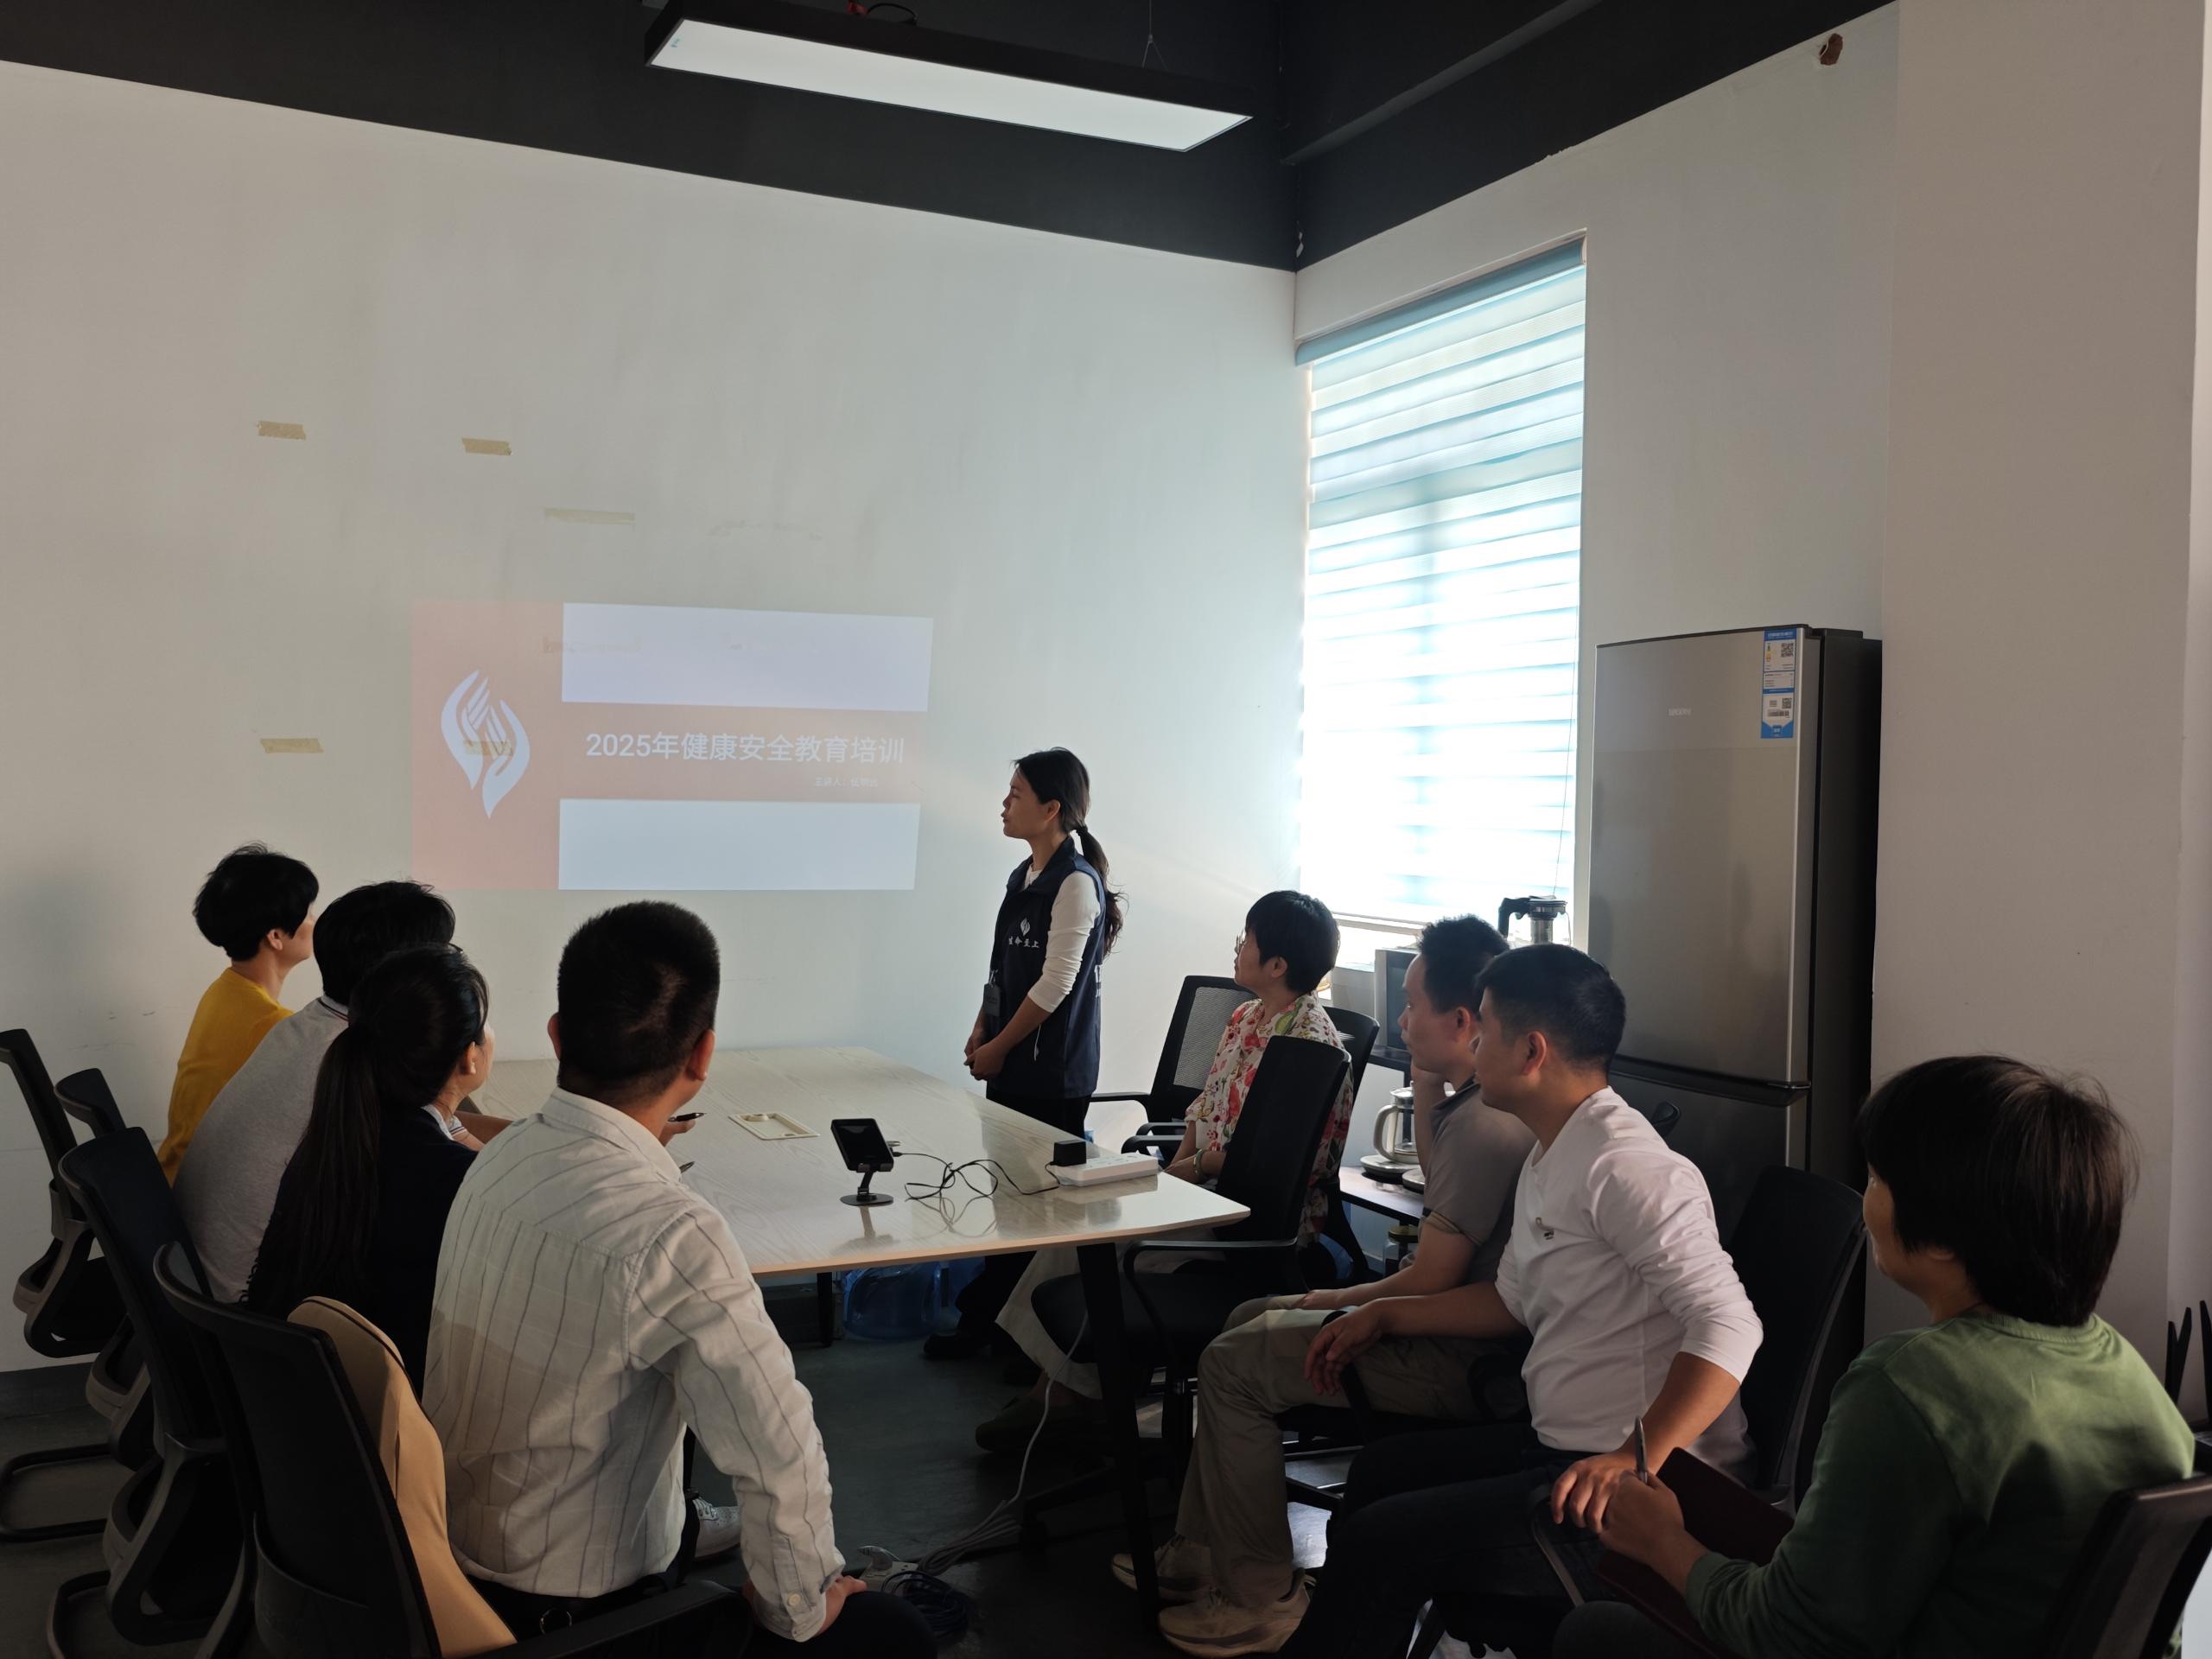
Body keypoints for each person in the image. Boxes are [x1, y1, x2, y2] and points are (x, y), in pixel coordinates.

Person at [1154, 944, 1761, 1659]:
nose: (1474, 1044)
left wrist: (1634, 1457)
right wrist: (1383, 1313)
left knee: (1384, 1543)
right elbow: (1511, 1300)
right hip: (1561, 1446)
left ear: (1530, 1051)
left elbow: (1729, 1324)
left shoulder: (1628, 1168)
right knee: (1380, 1474)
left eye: (1487, 1030)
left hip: (1633, 1488)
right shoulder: (1554, 1149)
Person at [1555, 1055, 2196, 1659]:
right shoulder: (2124, 1368)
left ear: (1942, 1236)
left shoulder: (1909, 1385)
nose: (1866, 1196)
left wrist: (1661, 1541)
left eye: (1877, 1178)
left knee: (1595, 1632)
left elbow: (1791, 1638)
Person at [424, 903, 930, 1656]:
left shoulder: (498, 1157)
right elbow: (779, 1455)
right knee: (891, 1634)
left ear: (557, 1036)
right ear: (702, 1057)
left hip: (450, 1566)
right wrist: (802, 1606)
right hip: (578, 1619)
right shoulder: (670, 1231)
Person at [1103, 915, 1530, 1649]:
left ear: (1464, 1021)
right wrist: (1429, 1077)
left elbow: (1431, 1279)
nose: (1401, 1019)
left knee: (1231, 1363)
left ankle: (1262, 1596)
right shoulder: (1473, 1110)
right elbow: (1441, 1180)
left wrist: (1334, 1299)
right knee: (1246, 1316)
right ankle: (1203, 1549)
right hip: (1447, 1327)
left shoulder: (1487, 1125)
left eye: (1411, 1004)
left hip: (1459, 1357)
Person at [978, 891, 1367, 1449]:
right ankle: (1061, 1384)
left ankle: (1067, 1396)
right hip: (1204, 1189)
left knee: (1112, 1243)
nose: (1239, 947)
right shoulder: (1246, 1016)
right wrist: (1175, 1170)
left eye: (1248, 940)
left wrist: (1190, 1173)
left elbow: (1273, 1166)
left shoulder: (1310, 1045)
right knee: (1081, 1221)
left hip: (1245, 1217)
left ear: (1277, 964)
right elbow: (1205, 1110)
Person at [929, 747, 1127, 1362]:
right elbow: (1003, 969)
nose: (1004, 804)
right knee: (1007, 1197)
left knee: (1040, 1208)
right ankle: (993, 1324)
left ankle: (1027, 1344)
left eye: (1016, 794)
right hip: (1012, 1058)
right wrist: (981, 1028)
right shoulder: (1023, 876)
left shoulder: (1076, 883)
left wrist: (1000, 1045)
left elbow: (1055, 984)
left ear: (1051, 809)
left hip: (1052, 1072)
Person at [179, 880, 462, 1301]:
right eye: (444, 955)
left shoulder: (306, 1026)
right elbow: (454, 1158)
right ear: (408, 974)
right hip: (247, 1310)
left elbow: (444, 1127)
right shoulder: (361, 1058)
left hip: (192, 1282)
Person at [245, 943, 493, 1390]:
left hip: (294, 1388)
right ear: (468, 1057)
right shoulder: (456, 1179)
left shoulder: (340, 1133)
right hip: (382, 1405)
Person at [157, 842, 317, 1178]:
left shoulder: (223, 991)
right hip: (205, 1190)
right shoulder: (276, 1026)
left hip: (175, 1178)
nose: (315, 921)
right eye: (308, 913)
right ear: (276, 936)